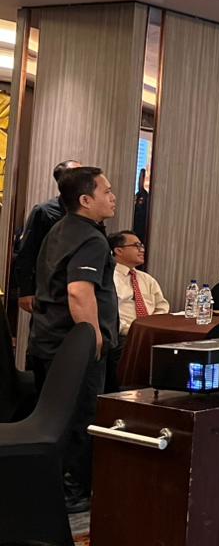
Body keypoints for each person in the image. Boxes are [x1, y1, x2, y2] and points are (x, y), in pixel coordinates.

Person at [28, 166, 118, 513]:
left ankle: (48, 485)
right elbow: (79, 292)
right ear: (85, 200)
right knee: (80, 418)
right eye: (106, 191)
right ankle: (73, 492)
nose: (113, 197)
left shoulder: (59, 230)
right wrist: (92, 339)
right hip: (72, 347)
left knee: (52, 418)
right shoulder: (91, 238)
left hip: (47, 340)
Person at [13, 159, 81, 313]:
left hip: (80, 284)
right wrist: (25, 291)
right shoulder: (44, 211)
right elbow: (27, 252)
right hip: (50, 289)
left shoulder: (89, 209)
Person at [107, 230, 169, 392]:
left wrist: (152, 327)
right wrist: (134, 330)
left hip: (148, 334)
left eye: (142, 245)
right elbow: (110, 313)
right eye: (136, 246)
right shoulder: (109, 278)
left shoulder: (146, 279)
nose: (142, 249)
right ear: (118, 250)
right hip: (123, 336)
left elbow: (162, 307)